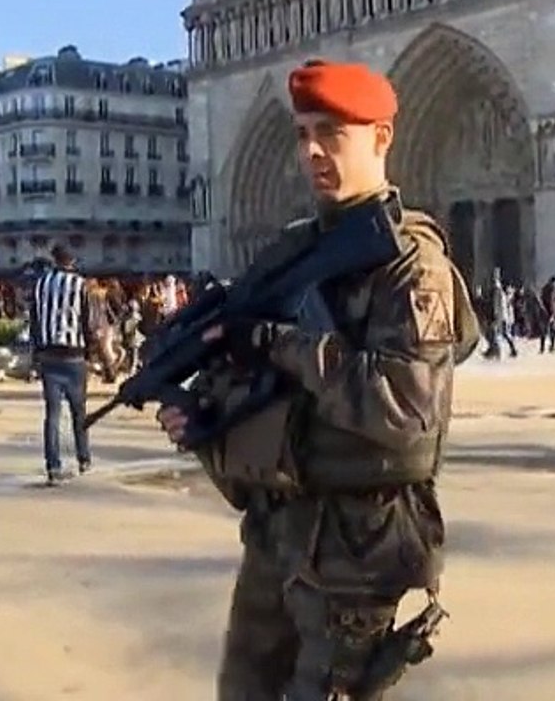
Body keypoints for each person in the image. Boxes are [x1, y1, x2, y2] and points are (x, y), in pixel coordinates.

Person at [156, 59, 479, 700]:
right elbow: (276, 406)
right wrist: (206, 426)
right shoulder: (295, 253)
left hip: (354, 549)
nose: (311, 150)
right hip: (278, 529)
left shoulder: (412, 266)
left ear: (381, 138)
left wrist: (278, 344)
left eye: (332, 132)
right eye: (303, 132)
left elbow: (406, 411)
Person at [30, 245, 95, 485]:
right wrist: (90, 352)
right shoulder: (80, 285)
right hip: (74, 356)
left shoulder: (41, 284)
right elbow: (87, 320)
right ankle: (83, 456)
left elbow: (35, 322)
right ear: (73, 260)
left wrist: (36, 354)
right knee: (79, 411)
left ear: (54, 260)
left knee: (52, 415)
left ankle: (53, 466)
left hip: (49, 356)